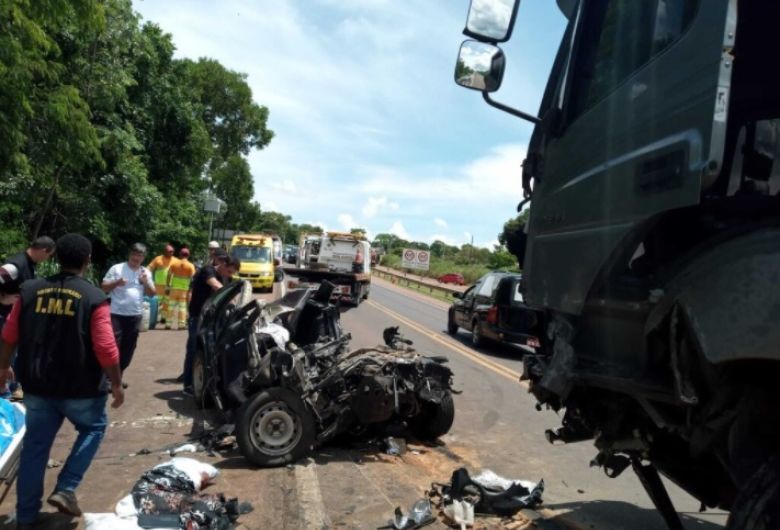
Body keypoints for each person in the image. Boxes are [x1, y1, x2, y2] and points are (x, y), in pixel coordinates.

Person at [0, 233, 124, 529]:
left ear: (56, 257)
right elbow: (106, 348)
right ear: (87, 260)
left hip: (38, 386)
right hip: (81, 389)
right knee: (93, 428)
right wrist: (117, 383)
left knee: (35, 448)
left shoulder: (30, 291)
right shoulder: (94, 297)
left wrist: (3, 367)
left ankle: (26, 517)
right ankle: (66, 487)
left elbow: (8, 335)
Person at [0, 236, 56, 399]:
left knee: (13, 355)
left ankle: (12, 389)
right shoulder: (14, 266)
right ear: (44, 251)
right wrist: (2, 298)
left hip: (11, 317)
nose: (47, 260)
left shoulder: (29, 265)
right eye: (48, 256)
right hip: (2, 316)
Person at [180, 254, 240, 395]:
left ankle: (205, 382)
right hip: (197, 317)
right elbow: (216, 286)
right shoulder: (208, 271)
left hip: (212, 319)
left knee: (210, 351)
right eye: (229, 271)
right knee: (194, 350)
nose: (230, 275)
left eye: (232, 273)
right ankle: (188, 385)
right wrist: (230, 295)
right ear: (223, 265)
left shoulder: (227, 277)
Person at [101, 243, 156, 372]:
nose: (136, 258)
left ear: (143, 258)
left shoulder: (145, 272)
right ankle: (109, 377)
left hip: (135, 315)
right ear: (129, 254)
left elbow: (152, 294)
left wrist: (145, 282)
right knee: (113, 346)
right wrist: (117, 282)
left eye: (139, 255)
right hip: (116, 314)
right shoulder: (117, 268)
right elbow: (103, 287)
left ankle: (119, 374)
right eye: (134, 254)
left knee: (129, 348)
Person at [147, 244, 178, 325]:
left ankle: (163, 318)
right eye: (170, 251)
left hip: (170, 285)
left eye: (173, 251)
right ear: (165, 251)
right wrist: (145, 275)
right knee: (157, 302)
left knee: (167, 302)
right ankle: (154, 317)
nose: (172, 253)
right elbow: (149, 268)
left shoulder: (176, 260)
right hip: (158, 285)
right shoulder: (158, 259)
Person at [166, 247, 196, 330]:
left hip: (174, 288)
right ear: (188, 255)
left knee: (171, 307)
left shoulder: (174, 264)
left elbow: (169, 275)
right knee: (182, 308)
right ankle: (181, 325)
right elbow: (193, 278)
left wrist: (168, 285)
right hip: (184, 290)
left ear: (180, 254)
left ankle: (168, 324)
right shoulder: (190, 266)